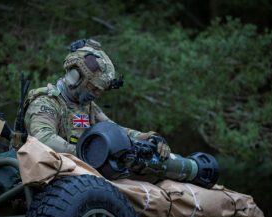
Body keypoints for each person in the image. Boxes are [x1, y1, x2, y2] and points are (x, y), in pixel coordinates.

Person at [24, 39, 171, 161]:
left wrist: (146, 137)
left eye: (100, 90)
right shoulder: (45, 102)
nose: (96, 94)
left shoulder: (87, 107)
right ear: (75, 77)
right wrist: (89, 154)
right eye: (93, 88)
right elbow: (44, 139)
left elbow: (113, 130)